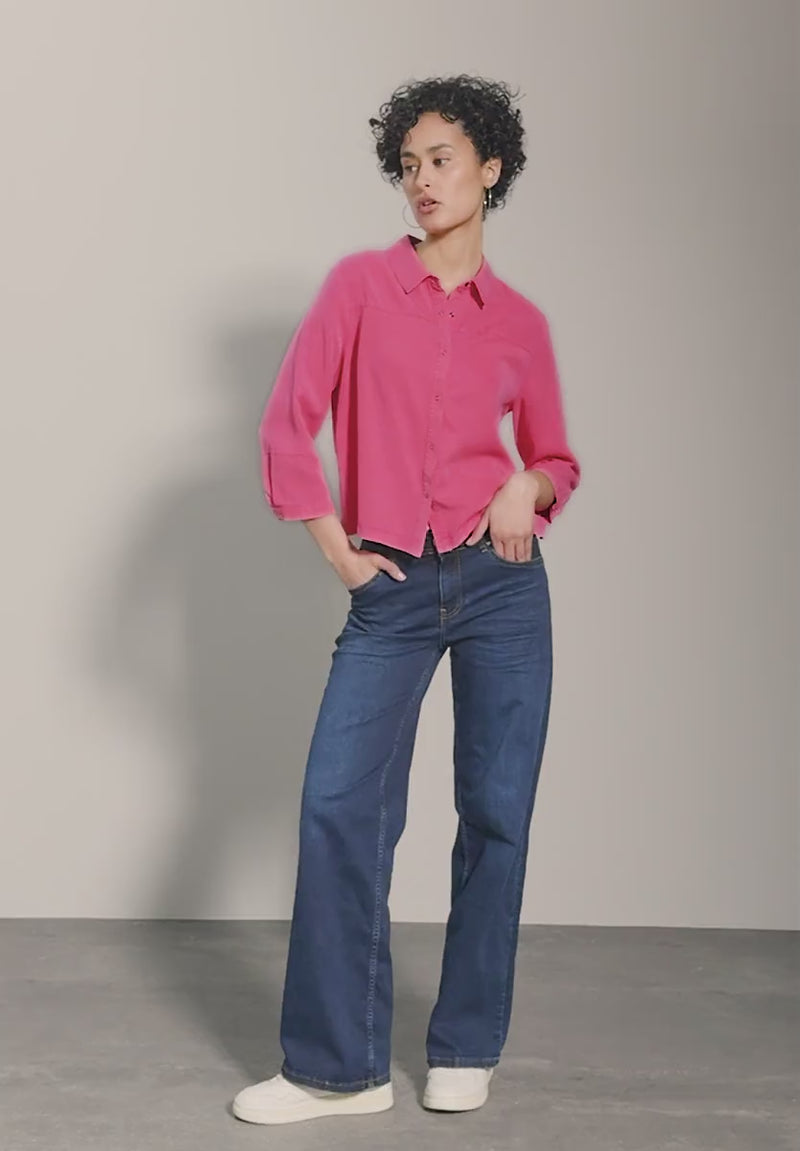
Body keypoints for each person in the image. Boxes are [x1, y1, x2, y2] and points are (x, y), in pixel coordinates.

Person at [232, 73, 581, 1126]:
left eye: (441, 159)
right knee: (340, 805)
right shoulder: (357, 287)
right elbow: (287, 425)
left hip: (501, 588)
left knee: (496, 812)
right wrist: (337, 549)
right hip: (388, 583)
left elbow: (556, 458)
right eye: (408, 163)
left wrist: (526, 485)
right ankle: (337, 1067)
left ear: (489, 169)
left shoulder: (519, 322)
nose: (421, 180)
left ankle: (466, 1043)